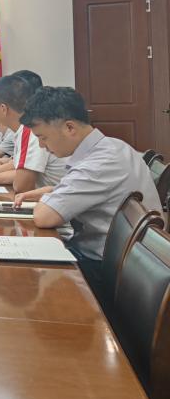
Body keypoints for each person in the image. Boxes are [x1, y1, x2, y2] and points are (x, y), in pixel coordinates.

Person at [14, 87, 161, 291]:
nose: (41, 146)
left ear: (69, 128)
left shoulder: (98, 164)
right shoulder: (113, 146)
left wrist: (51, 197)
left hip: (104, 271)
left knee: (21, 280)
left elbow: (44, 217)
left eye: (43, 137)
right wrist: (53, 191)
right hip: (127, 265)